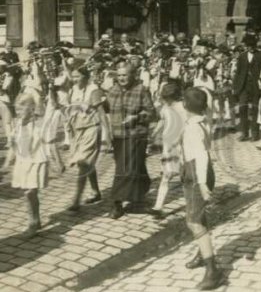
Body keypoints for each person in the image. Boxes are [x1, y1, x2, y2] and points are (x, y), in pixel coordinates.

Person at [181, 87, 222, 290]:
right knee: (199, 216)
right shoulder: (200, 122)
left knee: (194, 221)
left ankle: (212, 270)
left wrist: (203, 184)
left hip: (198, 175)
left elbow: (202, 157)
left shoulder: (193, 128)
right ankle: (201, 251)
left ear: (185, 105)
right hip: (196, 172)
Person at [106, 62, 157, 219]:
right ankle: (139, 197)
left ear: (133, 75)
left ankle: (117, 204)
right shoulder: (112, 90)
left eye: (125, 75)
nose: (122, 78)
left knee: (123, 168)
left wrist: (136, 117)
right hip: (118, 135)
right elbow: (106, 110)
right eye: (119, 75)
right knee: (137, 166)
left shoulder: (141, 90)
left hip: (136, 134)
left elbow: (152, 113)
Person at [64, 64, 107, 212]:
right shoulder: (73, 90)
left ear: (86, 76)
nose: (75, 79)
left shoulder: (93, 90)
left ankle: (76, 199)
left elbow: (101, 112)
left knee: (83, 163)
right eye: (73, 76)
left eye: (78, 76)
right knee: (87, 163)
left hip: (91, 128)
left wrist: (107, 134)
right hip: (77, 130)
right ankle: (95, 192)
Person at [11, 92, 50, 237]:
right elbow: (16, 141)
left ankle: (33, 223)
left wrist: (58, 160)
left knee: (30, 192)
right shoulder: (18, 123)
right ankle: (36, 219)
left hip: (36, 160)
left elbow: (47, 142)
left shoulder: (38, 123)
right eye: (17, 110)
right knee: (28, 193)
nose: (19, 113)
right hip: (23, 161)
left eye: (22, 109)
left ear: (31, 109)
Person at [149, 82, 187, 219]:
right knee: (166, 176)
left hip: (182, 145)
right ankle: (158, 206)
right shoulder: (165, 108)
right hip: (169, 146)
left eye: (167, 98)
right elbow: (162, 121)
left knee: (185, 176)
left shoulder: (183, 108)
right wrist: (154, 133)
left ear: (174, 97)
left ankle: (193, 202)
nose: (164, 101)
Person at [232, 35, 261, 142]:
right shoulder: (242, 56)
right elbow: (238, 73)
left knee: (255, 109)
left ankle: (255, 133)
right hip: (244, 86)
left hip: (256, 86)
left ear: (255, 45)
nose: (250, 48)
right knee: (243, 108)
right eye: (248, 46)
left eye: (252, 46)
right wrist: (235, 86)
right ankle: (244, 133)